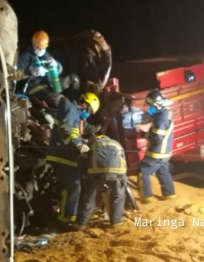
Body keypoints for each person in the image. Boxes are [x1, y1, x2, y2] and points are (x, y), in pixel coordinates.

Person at [45, 92, 100, 224]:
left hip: (67, 155)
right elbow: (65, 129)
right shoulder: (70, 108)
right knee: (72, 186)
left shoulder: (74, 113)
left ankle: (69, 215)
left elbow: (78, 129)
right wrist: (78, 144)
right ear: (84, 104)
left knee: (74, 185)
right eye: (88, 111)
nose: (88, 114)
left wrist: (94, 131)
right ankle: (65, 219)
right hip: (63, 154)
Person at [73, 133, 127, 230]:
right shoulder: (117, 143)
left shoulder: (92, 143)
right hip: (118, 173)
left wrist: (85, 176)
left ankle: (80, 224)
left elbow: (82, 160)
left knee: (89, 197)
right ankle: (116, 223)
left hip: (96, 173)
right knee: (118, 197)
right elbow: (123, 161)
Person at [136, 89, 177, 204]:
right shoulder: (165, 113)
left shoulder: (161, 118)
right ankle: (169, 194)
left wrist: (145, 135)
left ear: (157, 104)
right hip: (165, 153)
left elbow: (157, 137)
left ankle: (146, 197)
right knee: (162, 171)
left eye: (151, 105)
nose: (149, 108)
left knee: (142, 171)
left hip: (156, 153)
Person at [17, 30, 63, 107]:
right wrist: (30, 70)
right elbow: (16, 73)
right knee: (59, 100)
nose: (41, 50)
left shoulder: (46, 55)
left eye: (43, 48)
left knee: (73, 79)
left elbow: (59, 71)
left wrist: (57, 66)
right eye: (38, 47)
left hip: (48, 83)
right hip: (34, 87)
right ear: (33, 44)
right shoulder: (25, 56)